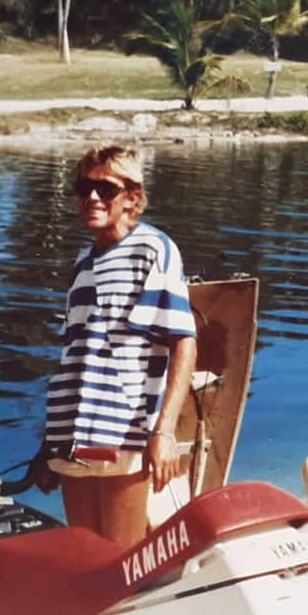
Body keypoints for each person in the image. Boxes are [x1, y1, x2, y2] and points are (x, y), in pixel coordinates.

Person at [41, 145, 197, 545]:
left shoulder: (153, 249)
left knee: (120, 561)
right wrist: (49, 439)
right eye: (83, 188)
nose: (91, 197)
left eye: (105, 189)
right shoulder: (83, 262)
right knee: (85, 558)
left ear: (132, 198)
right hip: (71, 435)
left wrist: (163, 434)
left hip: (123, 433)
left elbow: (183, 342)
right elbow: (73, 357)